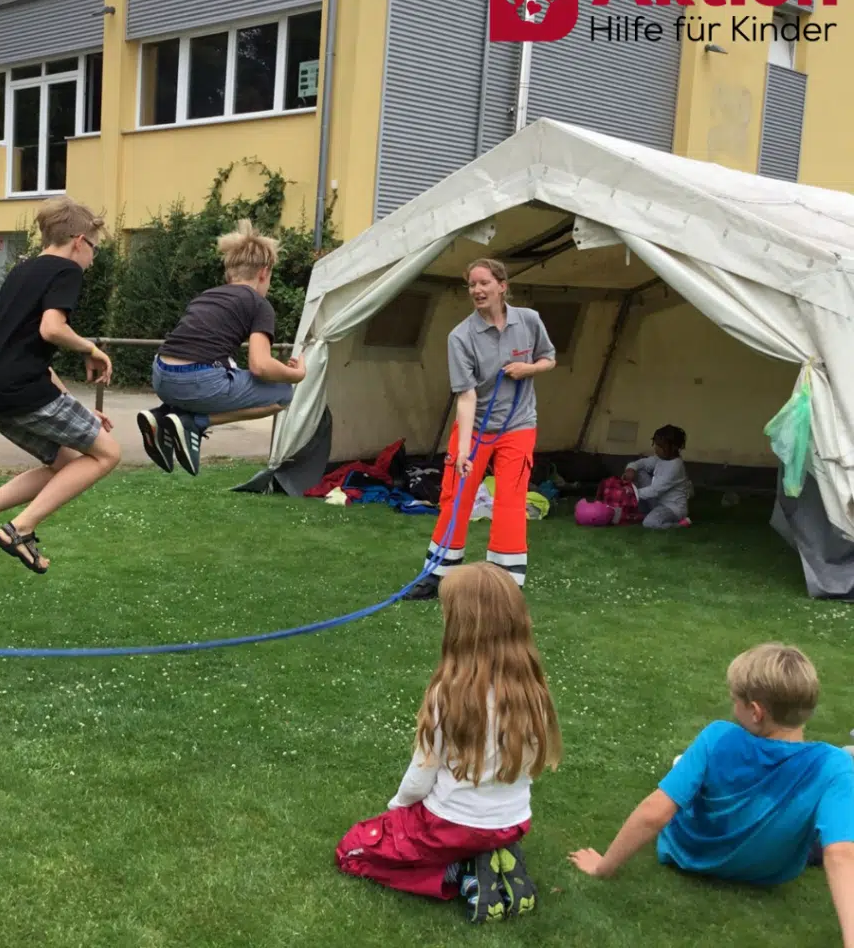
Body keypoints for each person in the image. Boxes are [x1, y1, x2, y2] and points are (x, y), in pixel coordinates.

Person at [569, 643, 854, 948]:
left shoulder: (718, 737)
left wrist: (603, 867)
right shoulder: (833, 766)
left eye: (736, 701)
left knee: (690, 772)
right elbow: (840, 854)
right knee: (835, 794)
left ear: (755, 712)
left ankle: (685, 769)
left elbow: (655, 812)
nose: (733, 709)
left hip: (690, 856)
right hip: (769, 870)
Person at [337, 562, 562, 923]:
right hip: (513, 820)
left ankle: (458, 876)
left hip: (451, 825)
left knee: (354, 850)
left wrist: (397, 809)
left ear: (462, 627)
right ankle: (492, 855)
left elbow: (420, 778)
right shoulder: (532, 689)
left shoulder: (450, 693)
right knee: (472, 833)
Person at [0, 196, 120, 574]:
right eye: (95, 250)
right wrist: (92, 349)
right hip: (22, 388)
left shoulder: (22, 273)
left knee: (67, 464)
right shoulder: (66, 272)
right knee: (108, 454)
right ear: (79, 240)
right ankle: (20, 530)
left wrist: (79, 408)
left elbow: (27, 351)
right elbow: (51, 329)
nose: (92, 259)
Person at [404, 259, 556, 600]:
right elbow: (466, 395)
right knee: (455, 498)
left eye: (484, 283)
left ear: (502, 286)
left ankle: (506, 583)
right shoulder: (460, 336)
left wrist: (529, 368)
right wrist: (461, 453)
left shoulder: (529, 321)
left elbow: (550, 359)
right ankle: (437, 576)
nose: (477, 290)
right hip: (474, 427)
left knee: (510, 502)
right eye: (472, 285)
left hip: (518, 426)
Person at [136, 219, 305, 477]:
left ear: (230, 273)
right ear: (264, 273)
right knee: (283, 394)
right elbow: (260, 366)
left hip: (160, 375)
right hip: (199, 380)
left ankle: (162, 415)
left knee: (227, 368)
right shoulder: (259, 304)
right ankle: (193, 423)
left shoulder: (208, 295)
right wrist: (296, 375)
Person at [623, 424, 692, 530]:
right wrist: (630, 469)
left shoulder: (675, 466)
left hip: (671, 508)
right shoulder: (660, 458)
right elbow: (641, 463)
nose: (656, 448)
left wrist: (630, 492)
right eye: (656, 445)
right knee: (639, 471)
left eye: (660, 446)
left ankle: (680, 524)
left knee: (649, 523)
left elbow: (655, 491)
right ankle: (645, 512)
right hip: (656, 502)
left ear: (673, 447)